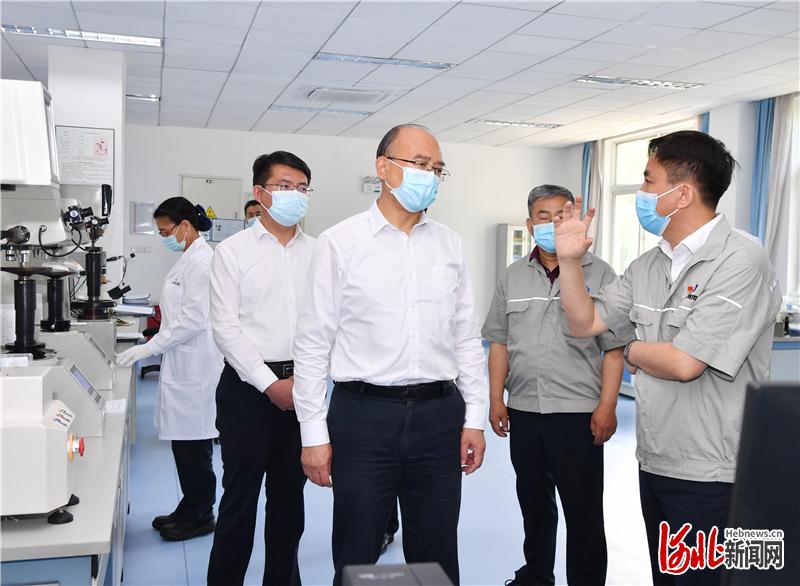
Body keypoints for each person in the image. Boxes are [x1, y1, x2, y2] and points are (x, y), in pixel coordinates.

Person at [554, 130, 781, 586]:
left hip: (715, 472)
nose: (641, 192)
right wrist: (570, 262)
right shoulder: (649, 265)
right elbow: (584, 322)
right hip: (657, 460)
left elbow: (684, 363)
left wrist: (628, 349)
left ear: (683, 194)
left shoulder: (741, 260)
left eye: (647, 180)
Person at [293, 124, 488, 586]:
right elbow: (313, 343)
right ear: (383, 168)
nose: (430, 176)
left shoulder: (449, 245)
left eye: (437, 168)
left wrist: (475, 418)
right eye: (420, 164)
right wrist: (312, 434)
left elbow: (465, 338)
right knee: (357, 551)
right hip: (364, 417)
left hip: (439, 415)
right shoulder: (340, 243)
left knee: (435, 557)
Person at [482, 184, 630, 586]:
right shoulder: (513, 276)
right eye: (542, 217)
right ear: (530, 224)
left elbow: (614, 348)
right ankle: (536, 576)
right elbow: (499, 342)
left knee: (583, 510)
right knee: (533, 503)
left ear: (573, 219)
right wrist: (496, 398)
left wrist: (607, 406)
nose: (551, 224)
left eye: (560, 216)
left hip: (577, 413)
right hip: (525, 409)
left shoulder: (601, 274)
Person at [206, 151, 316, 586]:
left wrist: (306, 380)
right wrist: (271, 385)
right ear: (260, 193)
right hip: (247, 390)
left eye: (302, 188)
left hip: (304, 384)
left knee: (289, 502)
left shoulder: (319, 252)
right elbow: (225, 329)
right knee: (240, 499)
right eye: (285, 186)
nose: (295, 195)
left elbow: (329, 322)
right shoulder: (231, 252)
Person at [116, 197, 222, 541]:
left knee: (195, 447)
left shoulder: (202, 263)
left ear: (185, 226)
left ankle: (201, 514)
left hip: (197, 367)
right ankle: (189, 507)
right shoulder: (188, 259)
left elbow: (192, 320)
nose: (164, 237)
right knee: (184, 445)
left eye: (165, 231)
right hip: (183, 362)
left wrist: (149, 348)